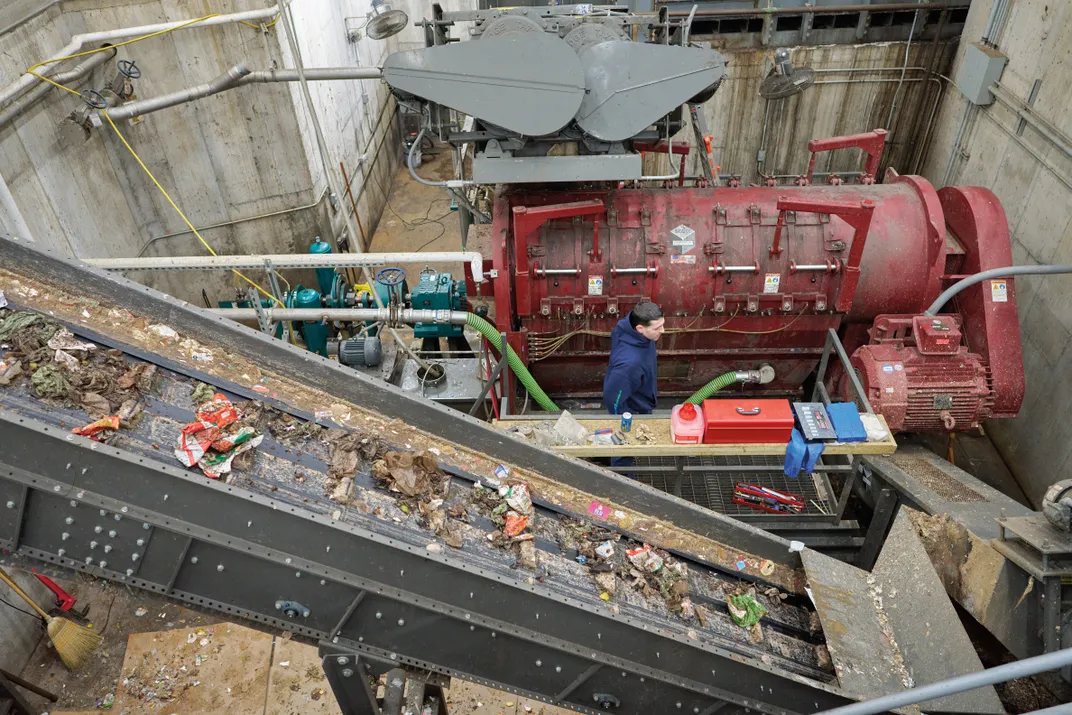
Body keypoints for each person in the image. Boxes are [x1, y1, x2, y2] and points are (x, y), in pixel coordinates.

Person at [603, 302, 665, 471]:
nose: (663, 331)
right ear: (639, 329)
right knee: (623, 445)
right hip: (632, 409)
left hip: (636, 389)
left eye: (663, 325)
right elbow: (611, 398)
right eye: (657, 328)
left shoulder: (628, 326)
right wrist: (623, 422)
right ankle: (621, 477)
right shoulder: (630, 365)